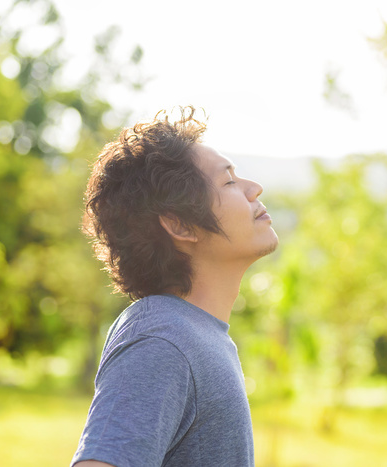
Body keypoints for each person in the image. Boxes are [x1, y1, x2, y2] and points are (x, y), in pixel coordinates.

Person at [71, 107, 278, 467]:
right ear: (181, 226)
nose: (253, 188)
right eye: (229, 182)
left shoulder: (192, 333)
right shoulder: (162, 339)